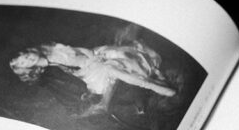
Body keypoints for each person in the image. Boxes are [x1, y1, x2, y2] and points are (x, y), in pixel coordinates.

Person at [9, 40, 176, 115]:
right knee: (109, 71)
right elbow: (72, 83)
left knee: (114, 62)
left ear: (29, 51)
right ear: (27, 69)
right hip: (90, 76)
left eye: (25, 56)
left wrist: (93, 56)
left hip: (93, 59)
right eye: (24, 63)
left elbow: (78, 50)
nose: (28, 59)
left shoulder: (52, 49)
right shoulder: (48, 73)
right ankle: (149, 86)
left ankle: (152, 81)